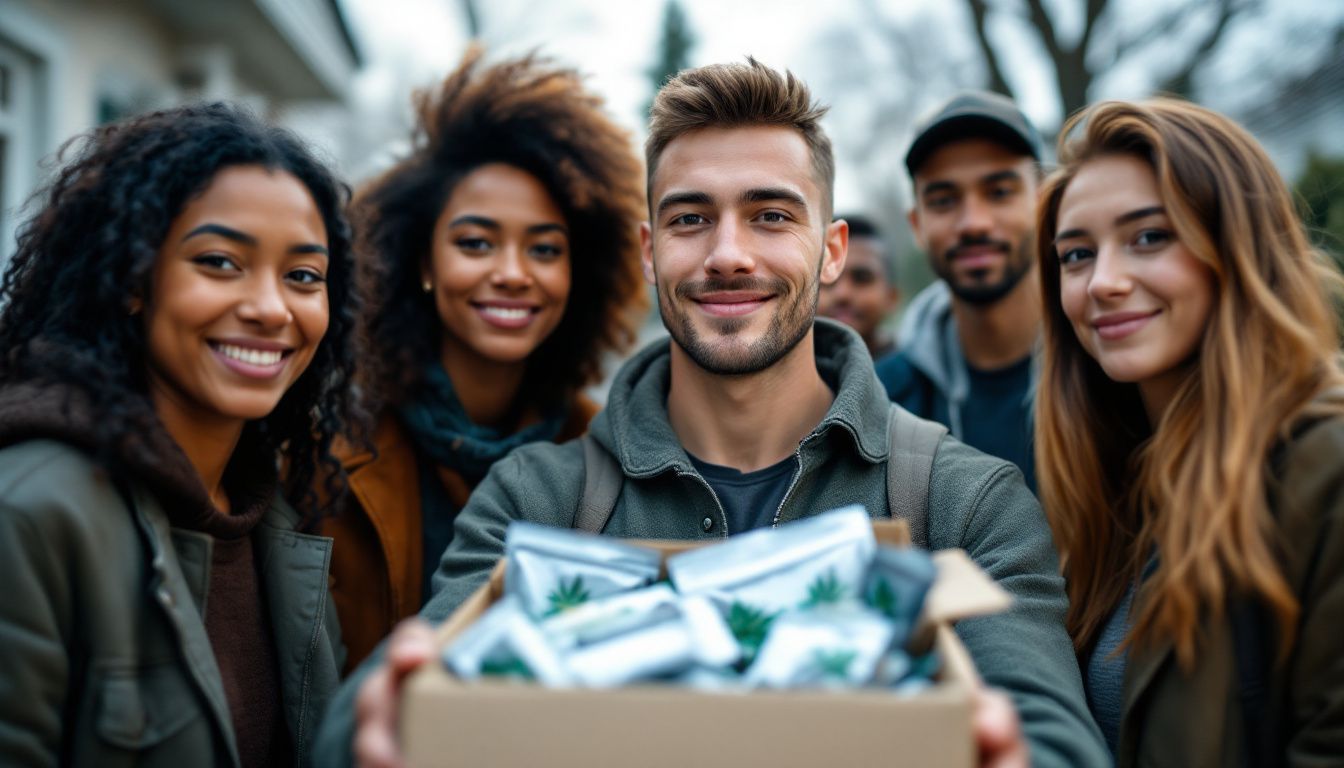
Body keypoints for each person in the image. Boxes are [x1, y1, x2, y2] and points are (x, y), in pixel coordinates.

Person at [313, 60, 1110, 768]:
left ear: (831, 251)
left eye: (771, 215)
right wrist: (381, 712)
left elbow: (1052, 733)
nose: (729, 253)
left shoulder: (965, 503)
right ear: (650, 249)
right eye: (691, 218)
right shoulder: (537, 501)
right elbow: (383, 704)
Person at [0, 103, 364, 765]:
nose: (270, 308)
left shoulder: (273, 513)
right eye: (221, 262)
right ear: (133, 278)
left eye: (304, 276)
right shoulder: (28, 511)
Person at [1035, 98, 1344, 766]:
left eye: (1149, 236)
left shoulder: (1324, 465)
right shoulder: (1110, 491)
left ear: (1235, 248)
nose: (1103, 283)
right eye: (1077, 254)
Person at [321, 49, 647, 671]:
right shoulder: (329, 453)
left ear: (581, 273)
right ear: (421, 262)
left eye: (545, 249)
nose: (511, 274)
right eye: (475, 243)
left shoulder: (610, 455)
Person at [875, 92, 1043, 490]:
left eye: (1000, 192)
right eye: (944, 200)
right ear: (917, 224)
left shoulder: (1113, 372)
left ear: (1045, 202)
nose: (974, 223)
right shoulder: (884, 403)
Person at [818, 213, 901, 358]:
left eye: (861, 278)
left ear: (891, 297)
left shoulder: (922, 375)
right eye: (828, 277)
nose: (843, 294)